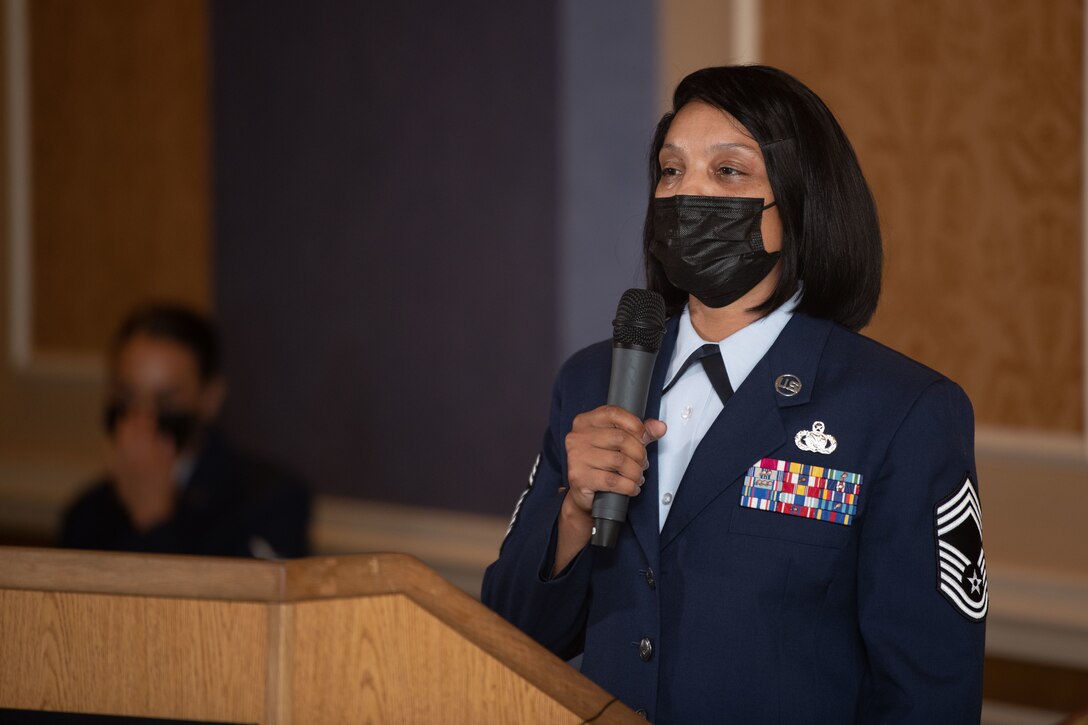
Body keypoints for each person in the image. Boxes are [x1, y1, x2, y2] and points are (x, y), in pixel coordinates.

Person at [482, 65, 986, 723]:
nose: (688, 191)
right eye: (670, 170)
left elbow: (929, 697)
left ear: (799, 201)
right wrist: (574, 512)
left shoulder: (902, 410)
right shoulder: (592, 379)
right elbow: (508, 633)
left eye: (728, 172)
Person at [61, 303, 311, 558]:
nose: (143, 420)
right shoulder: (87, 513)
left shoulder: (270, 502)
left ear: (210, 398)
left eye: (166, 402)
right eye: (127, 398)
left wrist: (153, 520)